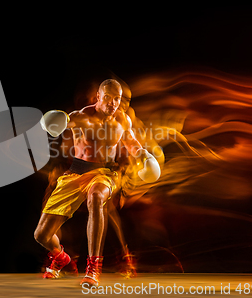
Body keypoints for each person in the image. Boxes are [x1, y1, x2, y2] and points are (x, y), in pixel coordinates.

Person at [34, 79, 160, 286]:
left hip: (104, 172)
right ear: (98, 97)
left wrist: (143, 154)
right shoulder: (81, 117)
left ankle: (93, 268)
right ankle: (60, 257)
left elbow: (130, 141)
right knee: (41, 235)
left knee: (96, 197)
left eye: (116, 99)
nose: (112, 103)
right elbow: (59, 126)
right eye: (108, 98)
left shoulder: (123, 120)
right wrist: (55, 121)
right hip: (76, 173)